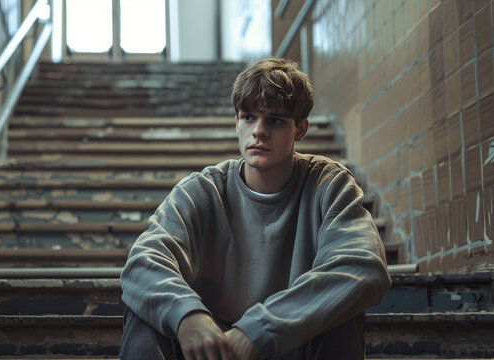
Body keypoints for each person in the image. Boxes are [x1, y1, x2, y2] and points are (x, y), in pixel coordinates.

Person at [119, 58, 392, 360]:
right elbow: (144, 262)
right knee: (147, 308)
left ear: (300, 129)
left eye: (275, 120)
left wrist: (258, 330)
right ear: (236, 121)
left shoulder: (329, 184)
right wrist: (187, 316)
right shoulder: (201, 191)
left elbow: (363, 265)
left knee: (341, 312)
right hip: (212, 350)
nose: (259, 131)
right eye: (249, 117)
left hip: (292, 345)